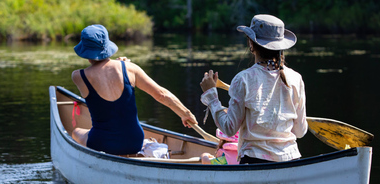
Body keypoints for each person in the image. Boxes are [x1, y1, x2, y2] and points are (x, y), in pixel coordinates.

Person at [71, 24, 197, 155]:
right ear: (107, 46)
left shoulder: (78, 76)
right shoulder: (130, 68)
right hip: (134, 142)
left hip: (102, 143)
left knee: (76, 132)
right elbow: (161, 94)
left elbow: (101, 70)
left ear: (85, 50)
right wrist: (185, 113)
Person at [199, 14, 307, 164]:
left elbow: (229, 129)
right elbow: (300, 132)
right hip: (292, 160)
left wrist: (211, 96)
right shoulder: (296, 79)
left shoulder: (243, 79)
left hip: (254, 161)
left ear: (251, 43)